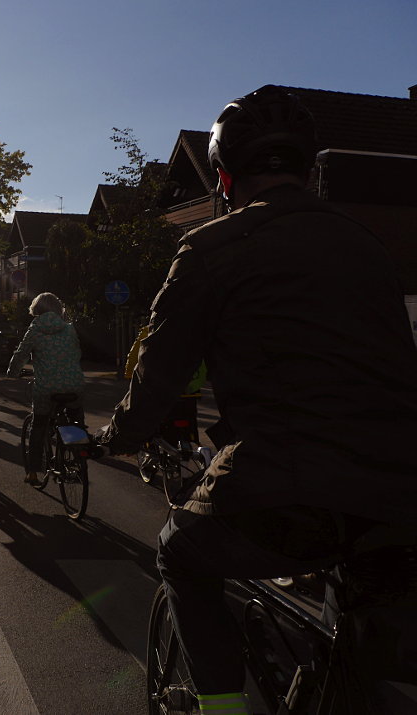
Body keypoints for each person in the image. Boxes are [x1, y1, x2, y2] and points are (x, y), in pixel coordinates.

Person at [98, 85, 417, 714]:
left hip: (287, 482)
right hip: (403, 488)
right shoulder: (367, 246)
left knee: (179, 554)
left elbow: (161, 372)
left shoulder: (211, 248)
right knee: (350, 628)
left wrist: (121, 434)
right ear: (307, 168)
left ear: (222, 175)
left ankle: (222, 710)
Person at [6, 292, 85, 486]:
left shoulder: (35, 329)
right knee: (75, 419)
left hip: (46, 388)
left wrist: (12, 372)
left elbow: (21, 354)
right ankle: (77, 456)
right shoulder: (69, 329)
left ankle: (33, 471)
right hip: (73, 385)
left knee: (38, 426)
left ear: (37, 310)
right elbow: (77, 352)